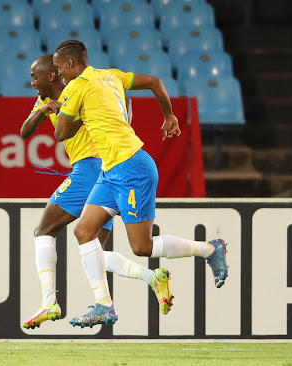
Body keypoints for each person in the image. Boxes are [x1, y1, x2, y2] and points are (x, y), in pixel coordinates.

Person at [52, 40, 229, 328]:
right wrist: (168, 115)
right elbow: (156, 82)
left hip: (131, 168)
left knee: (142, 247)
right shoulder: (111, 75)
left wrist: (64, 110)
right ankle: (104, 305)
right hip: (111, 170)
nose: (60, 75)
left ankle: (210, 249)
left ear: (71, 64)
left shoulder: (76, 87)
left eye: (60, 69)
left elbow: (61, 132)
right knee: (84, 231)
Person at [20, 54, 174, 330]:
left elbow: (124, 103)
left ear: (53, 75)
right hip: (108, 173)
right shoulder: (46, 100)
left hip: (91, 168)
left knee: (43, 230)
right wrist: (44, 111)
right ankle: (151, 277)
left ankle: (48, 302)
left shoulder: (79, 88)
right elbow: (24, 131)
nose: (32, 83)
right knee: (93, 251)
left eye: (35, 77)